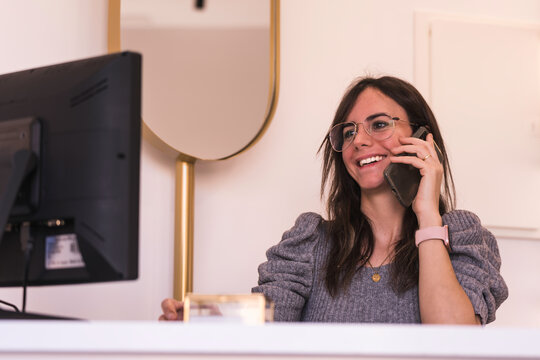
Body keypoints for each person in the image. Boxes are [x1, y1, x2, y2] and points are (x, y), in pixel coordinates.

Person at [160, 76, 508, 324]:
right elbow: (265, 323)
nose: (359, 141)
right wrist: (201, 321)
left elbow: (454, 340)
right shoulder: (310, 243)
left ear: (421, 139)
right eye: (349, 131)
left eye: (380, 124)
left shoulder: (461, 239)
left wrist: (428, 213)